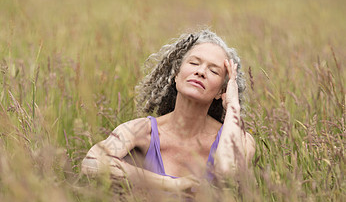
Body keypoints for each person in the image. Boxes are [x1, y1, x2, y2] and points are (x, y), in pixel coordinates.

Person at [81, 29, 255, 192]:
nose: (201, 72)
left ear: (221, 91)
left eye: (213, 71)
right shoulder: (142, 131)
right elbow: (91, 163)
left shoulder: (241, 140)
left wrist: (233, 105)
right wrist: (173, 184)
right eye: (194, 63)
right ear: (176, 74)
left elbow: (227, 173)